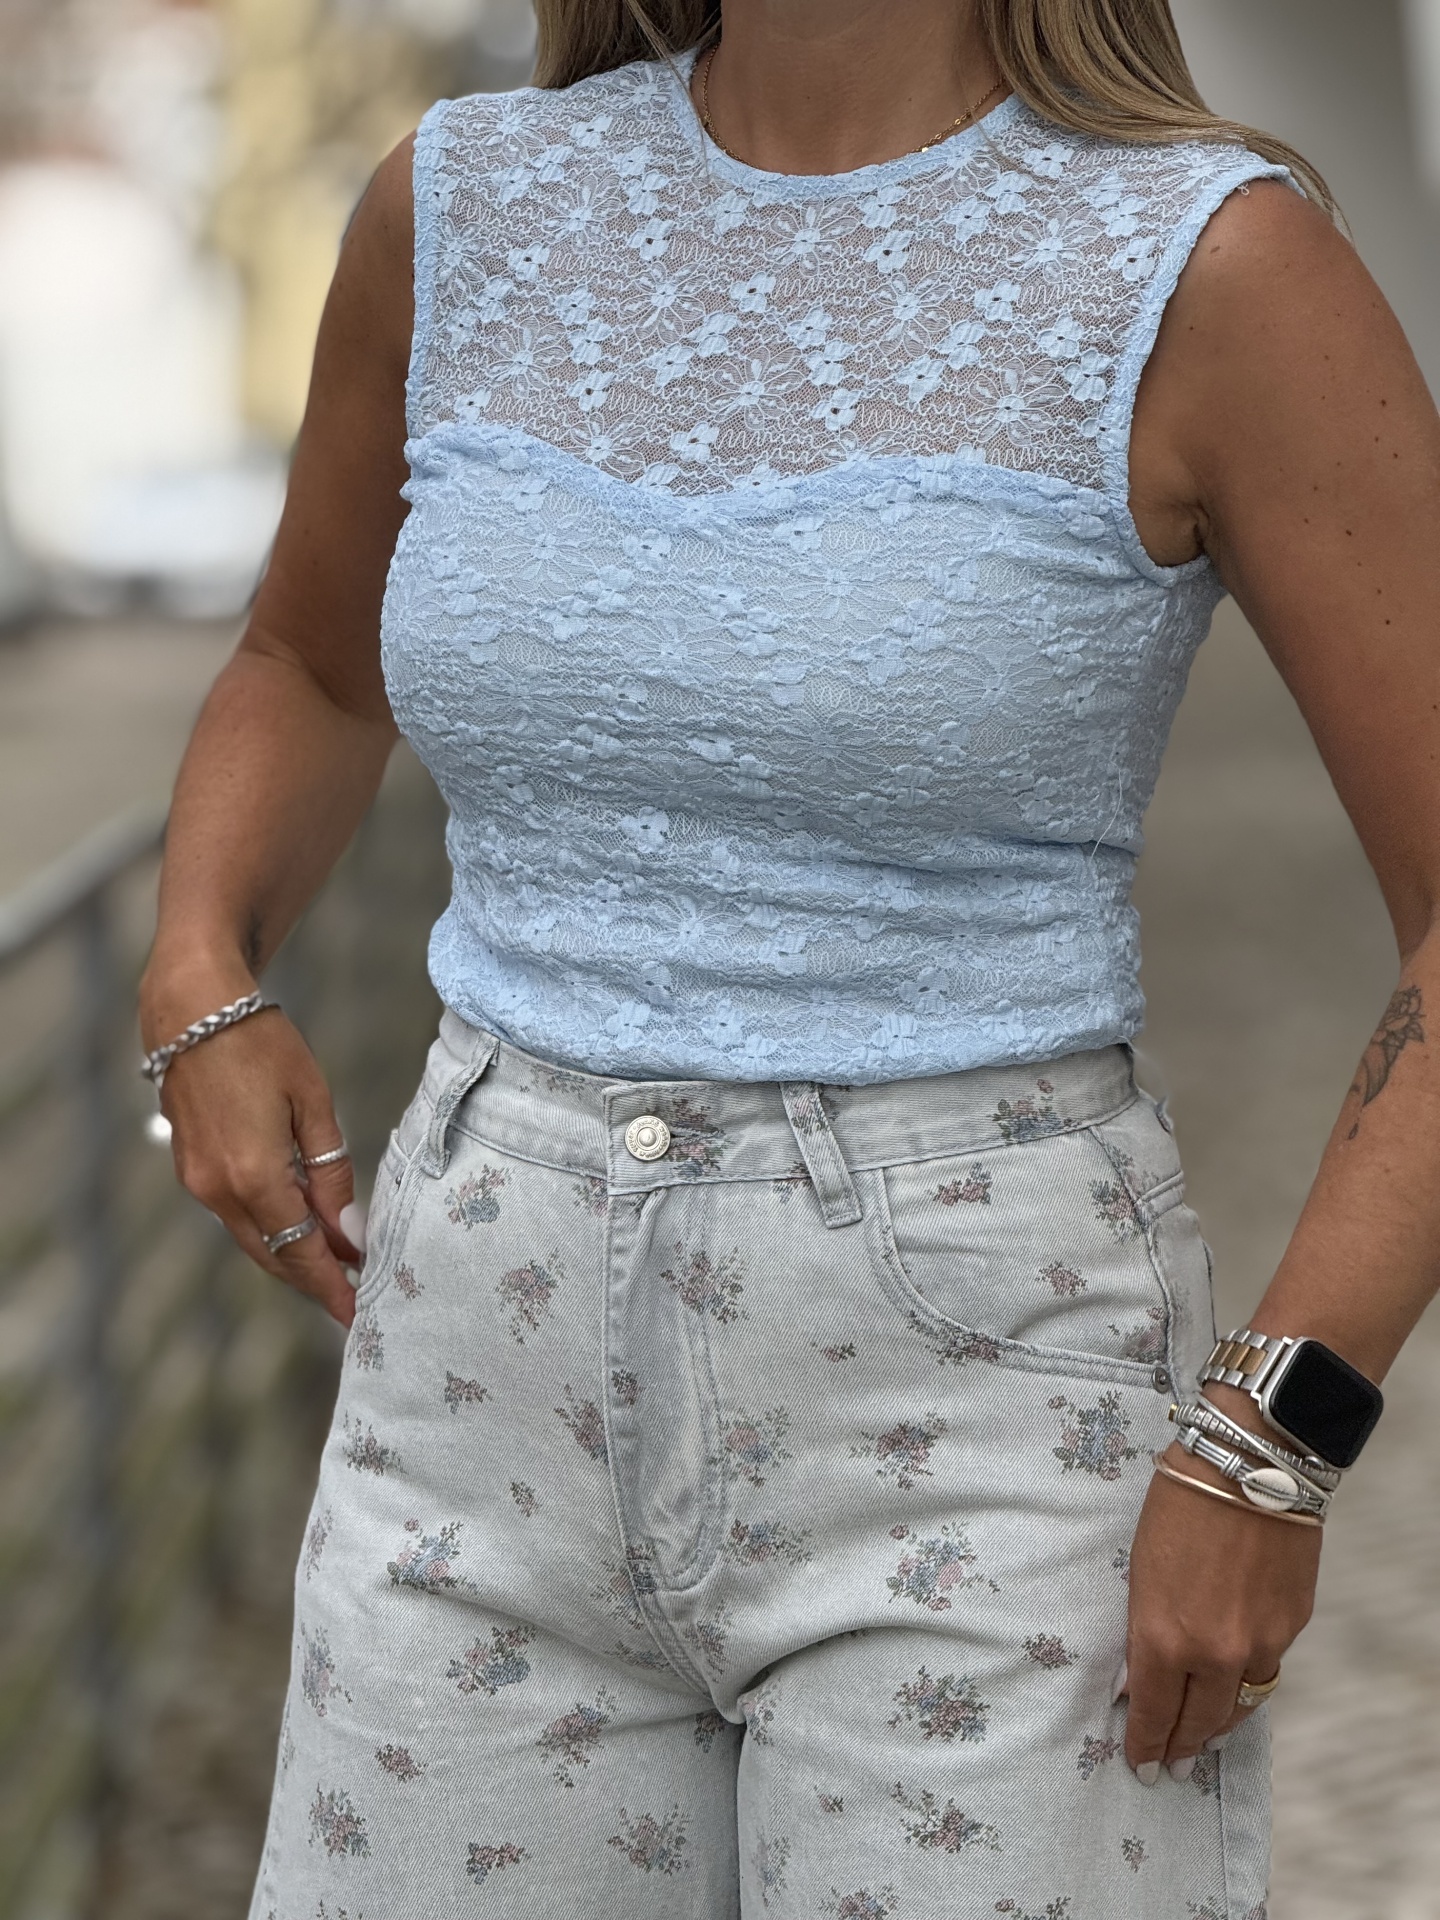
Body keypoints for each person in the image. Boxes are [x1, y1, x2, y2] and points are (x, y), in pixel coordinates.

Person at [138, 2, 1440, 1914]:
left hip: (981, 1411)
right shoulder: (464, 208)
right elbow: (308, 663)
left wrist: (1274, 1439)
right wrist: (198, 966)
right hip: (474, 1381)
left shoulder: (1211, 263)